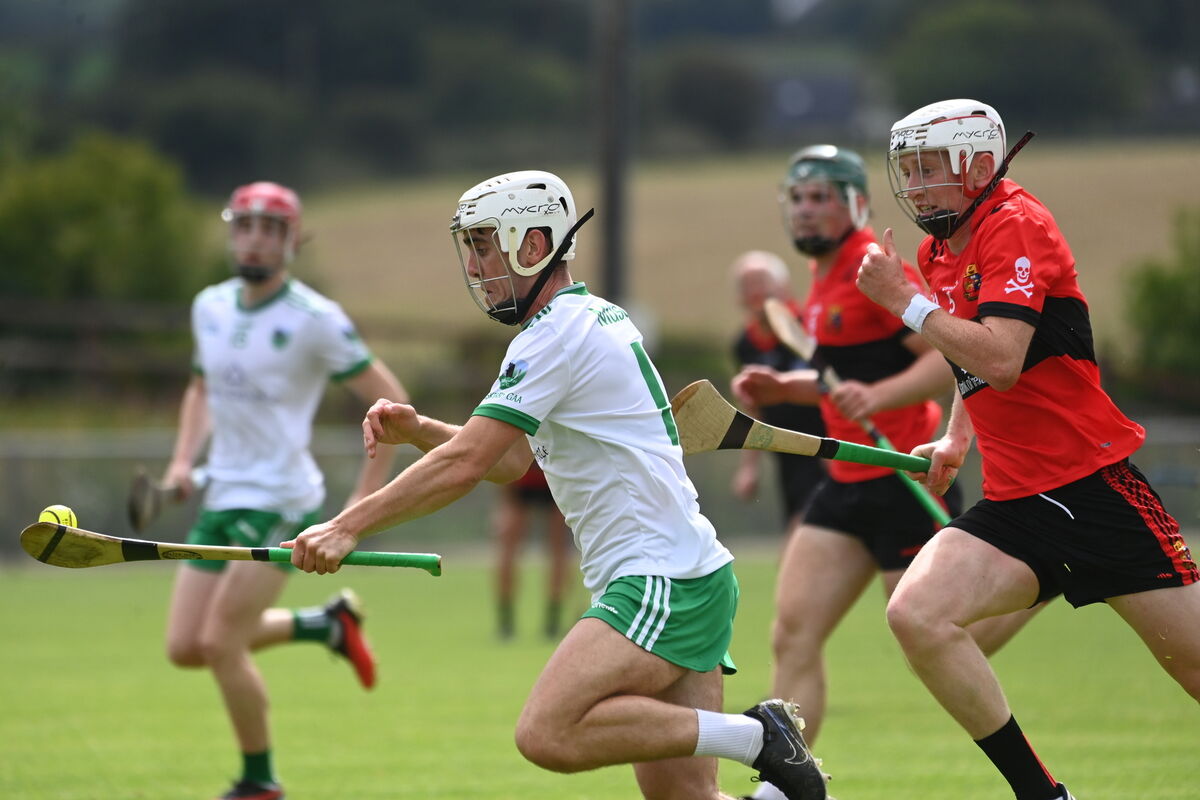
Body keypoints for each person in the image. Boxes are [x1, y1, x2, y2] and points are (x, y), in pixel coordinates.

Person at [284, 170, 830, 800]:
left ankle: (758, 738)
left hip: (660, 578)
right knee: (687, 798)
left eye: (485, 245)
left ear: (533, 245)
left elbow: (466, 466)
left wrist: (345, 526)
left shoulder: (553, 337)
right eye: (471, 246)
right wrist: (425, 430)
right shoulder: (585, 320)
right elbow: (511, 460)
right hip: (686, 572)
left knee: (548, 732)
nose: (474, 264)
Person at [856, 98, 1200, 800]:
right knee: (916, 615)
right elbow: (970, 358)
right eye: (909, 171)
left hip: (1093, 488)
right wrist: (959, 435)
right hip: (1016, 504)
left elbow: (1003, 357)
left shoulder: (1017, 226)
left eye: (930, 170)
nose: (916, 186)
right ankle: (1043, 795)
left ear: (980, 166)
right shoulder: (938, 249)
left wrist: (908, 305)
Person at [732, 145, 1041, 800]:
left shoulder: (877, 267)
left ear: (854, 204)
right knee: (793, 631)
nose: (807, 209)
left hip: (903, 476)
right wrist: (786, 388)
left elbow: (944, 359)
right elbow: (841, 373)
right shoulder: (820, 279)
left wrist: (879, 400)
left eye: (822, 197)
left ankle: (1047, 581)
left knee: (948, 636)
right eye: (798, 197)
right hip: (842, 484)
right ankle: (786, 787)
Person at [161, 181, 410, 800]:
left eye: (271, 229)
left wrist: (359, 510)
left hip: (281, 501)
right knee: (185, 647)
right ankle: (326, 626)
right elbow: (200, 389)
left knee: (221, 643)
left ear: (292, 241)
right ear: (231, 231)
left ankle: (259, 783)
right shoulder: (209, 307)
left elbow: (393, 406)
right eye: (245, 225)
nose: (255, 238)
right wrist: (182, 461)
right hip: (223, 495)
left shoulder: (315, 320)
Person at [729, 251, 826, 527]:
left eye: (762, 282)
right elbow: (753, 406)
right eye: (747, 286)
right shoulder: (744, 345)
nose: (755, 292)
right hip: (787, 457)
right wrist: (749, 468)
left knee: (802, 534)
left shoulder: (810, 326)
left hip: (824, 450)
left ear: (784, 288)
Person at [493, 460, 573, 640]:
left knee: (558, 549)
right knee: (508, 547)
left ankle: (552, 619)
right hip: (523, 478)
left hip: (551, 477)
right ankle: (506, 620)